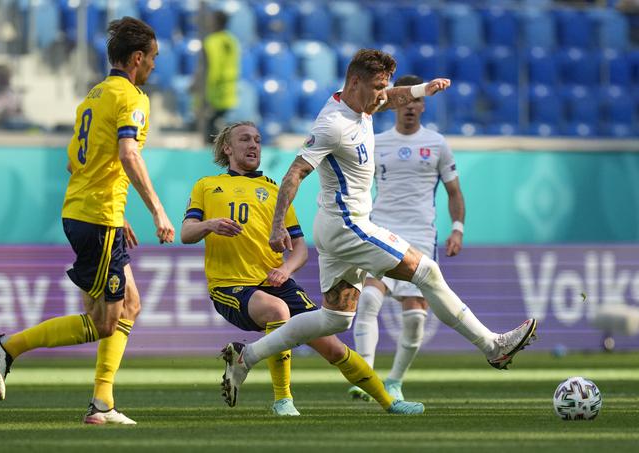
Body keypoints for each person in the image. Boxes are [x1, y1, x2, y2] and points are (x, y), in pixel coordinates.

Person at [219, 49, 538, 410]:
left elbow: (392, 99)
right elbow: (294, 174)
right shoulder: (332, 123)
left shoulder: (364, 105)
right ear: (354, 82)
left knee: (335, 319)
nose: (382, 94)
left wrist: (422, 90)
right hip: (347, 225)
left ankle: (245, 358)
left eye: (384, 86)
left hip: (339, 225)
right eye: (376, 86)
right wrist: (277, 227)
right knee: (427, 271)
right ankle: (492, 347)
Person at [0, 17, 175, 425]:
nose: (155, 66)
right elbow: (128, 154)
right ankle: (8, 347)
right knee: (105, 322)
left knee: (130, 306)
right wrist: (157, 209)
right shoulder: (133, 98)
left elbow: (76, 164)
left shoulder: (92, 97)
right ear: (138, 58)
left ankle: (102, 403)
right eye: (153, 58)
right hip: (97, 218)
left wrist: (117, 215)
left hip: (86, 213)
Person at [182, 121, 423, 415]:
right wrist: (210, 224)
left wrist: (287, 269)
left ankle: (390, 403)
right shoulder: (207, 186)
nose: (253, 145)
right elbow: (187, 233)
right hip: (230, 286)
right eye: (245, 139)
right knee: (277, 311)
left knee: (333, 348)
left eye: (257, 140)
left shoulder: (274, 190)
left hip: (275, 281)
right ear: (227, 148)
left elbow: (299, 247)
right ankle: (283, 400)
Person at [348, 74, 466, 402]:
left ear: (423, 106)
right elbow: (357, 183)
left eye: (417, 102)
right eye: (406, 100)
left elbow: (454, 191)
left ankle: (395, 381)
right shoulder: (376, 141)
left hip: (421, 235)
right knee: (369, 298)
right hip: (382, 229)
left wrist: (457, 228)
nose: (411, 107)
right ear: (395, 102)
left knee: (414, 317)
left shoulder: (438, 144)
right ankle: (365, 375)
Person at [192, 10, 240, 143]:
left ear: (216, 22)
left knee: (209, 131)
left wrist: (198, 85)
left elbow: (208, 68)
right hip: (228, 91)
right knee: (219, 124)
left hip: (213, 91)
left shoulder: (211, 42)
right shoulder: (231, 41)